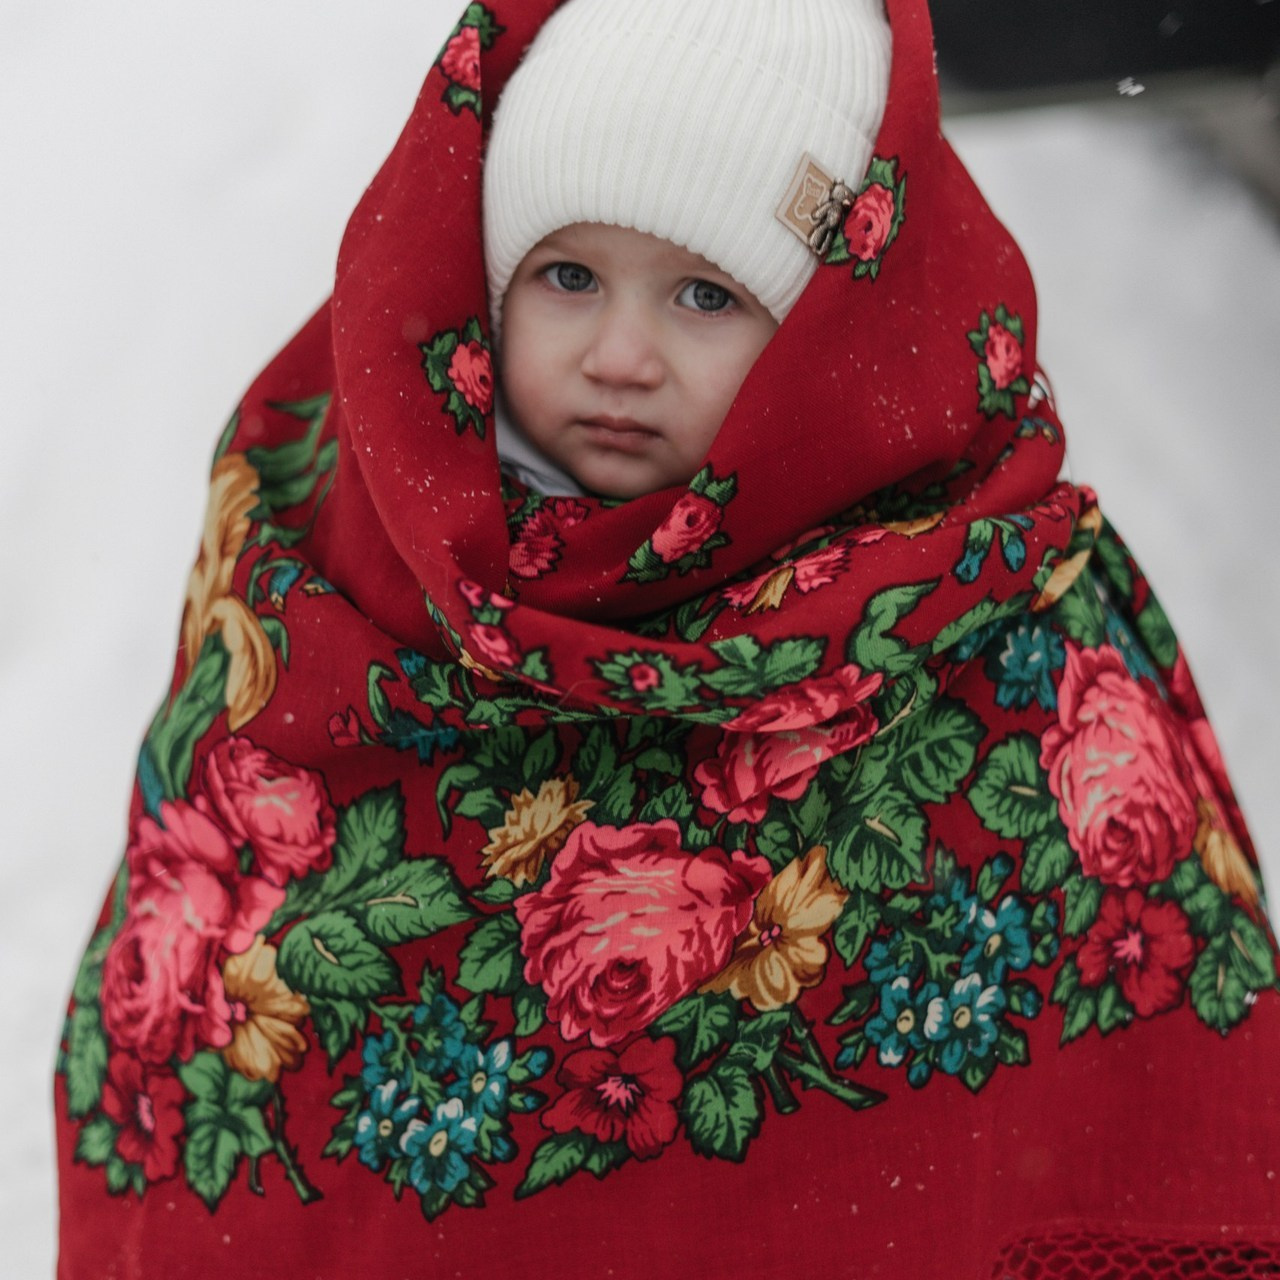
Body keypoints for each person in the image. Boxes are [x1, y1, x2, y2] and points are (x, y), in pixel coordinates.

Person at [54, 0, 1280, 1276]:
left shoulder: (981, 603)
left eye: (706, 293)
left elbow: (1124, 1056)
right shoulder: (326, 563)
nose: (620, 355)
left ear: (828, 328)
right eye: (567, 277)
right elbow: (213, 1003)